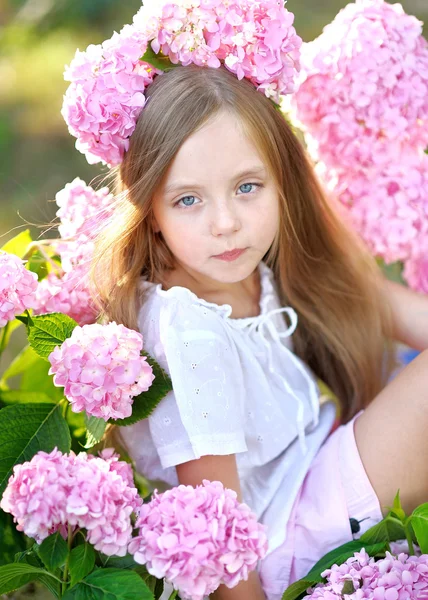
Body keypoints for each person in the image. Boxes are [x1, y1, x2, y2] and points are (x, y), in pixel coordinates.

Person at [83, 12, 428, 600]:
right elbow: (216, 537)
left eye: (248, 187)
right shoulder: (192, 336)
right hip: (284, 546)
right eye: (189, 199)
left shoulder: (248, 266)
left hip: (314, 479)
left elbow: (399, 312)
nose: (226, 224)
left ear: (282, 182)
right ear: (152, 212)